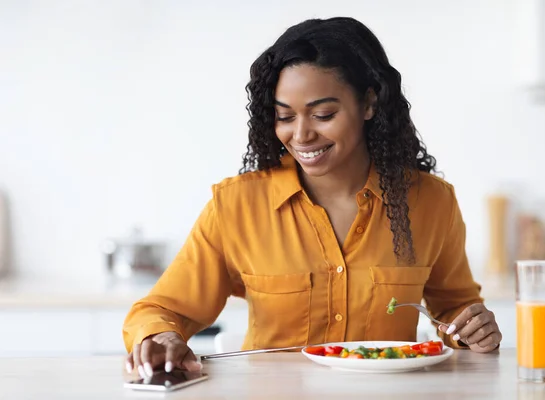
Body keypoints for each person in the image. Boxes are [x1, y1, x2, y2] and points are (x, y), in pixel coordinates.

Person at [122, 16, 502, 378]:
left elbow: (454, 312)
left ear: (369, 103)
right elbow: (162, 310)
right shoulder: (237, 207)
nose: (301, 136)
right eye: (285, 117)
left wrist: (472, 329)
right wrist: (160, 336)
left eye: (322, 115)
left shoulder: (431, 203)